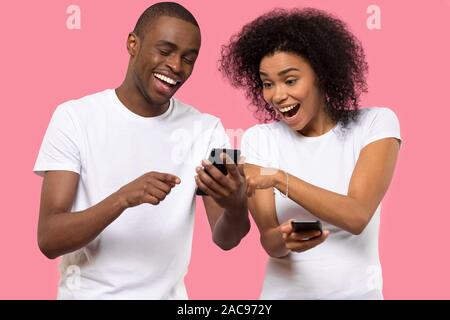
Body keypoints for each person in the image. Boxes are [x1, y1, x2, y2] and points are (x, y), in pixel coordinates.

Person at [34, 2, 249, 299]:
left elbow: (226, 239)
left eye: (189, 58)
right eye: (165, 51)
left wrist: (237, 206)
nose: (176, 66)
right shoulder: (74, 117)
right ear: (133, 44)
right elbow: (49, 238)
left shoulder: (208, 130)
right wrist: (123, 198)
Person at [219, 8, 401, 299]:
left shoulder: (375, 124)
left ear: (322, 75)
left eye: (290, 80)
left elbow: (357, 215)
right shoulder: (261, 140)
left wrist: (280, 179)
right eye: (267, 83)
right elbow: (270, 244)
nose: (277, 96)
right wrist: (284, 239)